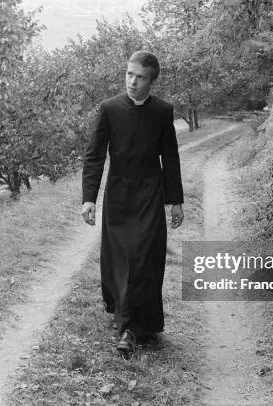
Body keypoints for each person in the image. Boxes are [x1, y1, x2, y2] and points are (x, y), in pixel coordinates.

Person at [81, 50, 184, 358]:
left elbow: (171, 157)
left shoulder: (163, 112)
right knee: (121, 258)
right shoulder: (109, 108)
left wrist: (175, 200)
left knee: (144, 258)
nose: (132, 82)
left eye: (140, 77)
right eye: (129, 74)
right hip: (118, 195)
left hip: (151, 194)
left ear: (151, 81)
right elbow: (95, 155)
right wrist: (89, 199)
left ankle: (135, 327)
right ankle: (127, 321)